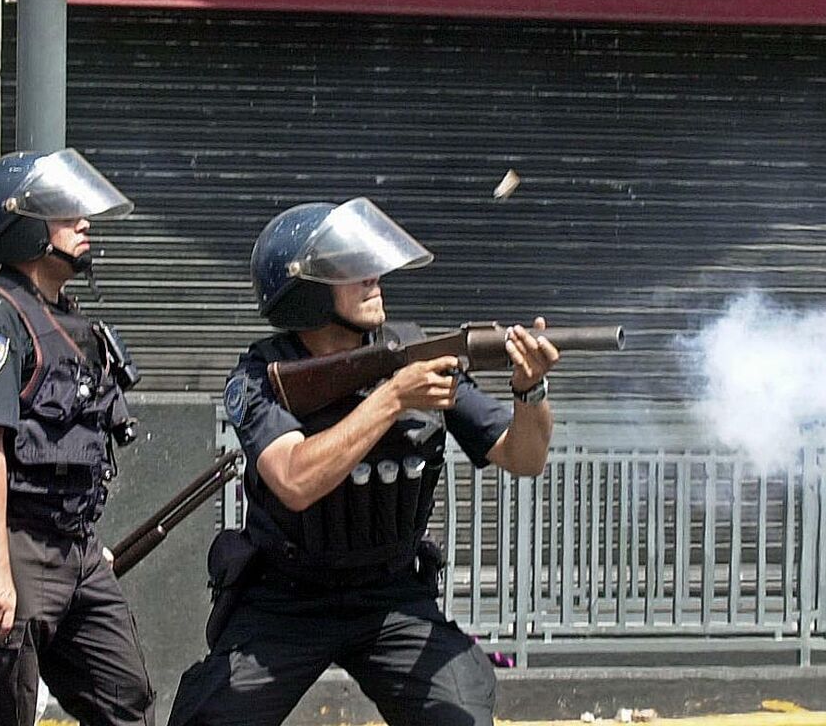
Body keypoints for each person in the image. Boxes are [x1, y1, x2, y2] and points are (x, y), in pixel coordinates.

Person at [169, 198, 561, 726]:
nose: (374, 277)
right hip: (286, 594)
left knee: (460, 714)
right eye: (349, 270)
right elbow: (294, 480)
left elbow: (525, 456)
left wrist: (529, 389)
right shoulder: (262, 376)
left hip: (391, 593)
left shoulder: (416, 354)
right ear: (305, 291)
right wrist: (393, 398)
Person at [0, 149, 153, 725]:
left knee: (125, 698)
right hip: (15, 543)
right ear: (23, 227)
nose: (83, 222)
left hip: (75, 547)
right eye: (64, 213)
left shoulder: (72, 318)